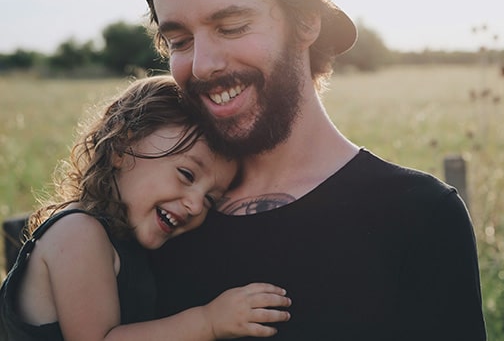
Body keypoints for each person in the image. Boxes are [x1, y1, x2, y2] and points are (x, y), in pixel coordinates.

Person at [143, 0, 487, 339]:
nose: (203, 64)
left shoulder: (418, 216)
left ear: (306, 22)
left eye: (231, 26)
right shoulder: (160, 213)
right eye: (179, 41)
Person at [0, 75, 291, 340]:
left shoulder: (123, 242)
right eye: (186, 175)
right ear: (121, 146)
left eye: (209, 200)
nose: (194, 205)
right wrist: (208, 322)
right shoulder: (78, 233)